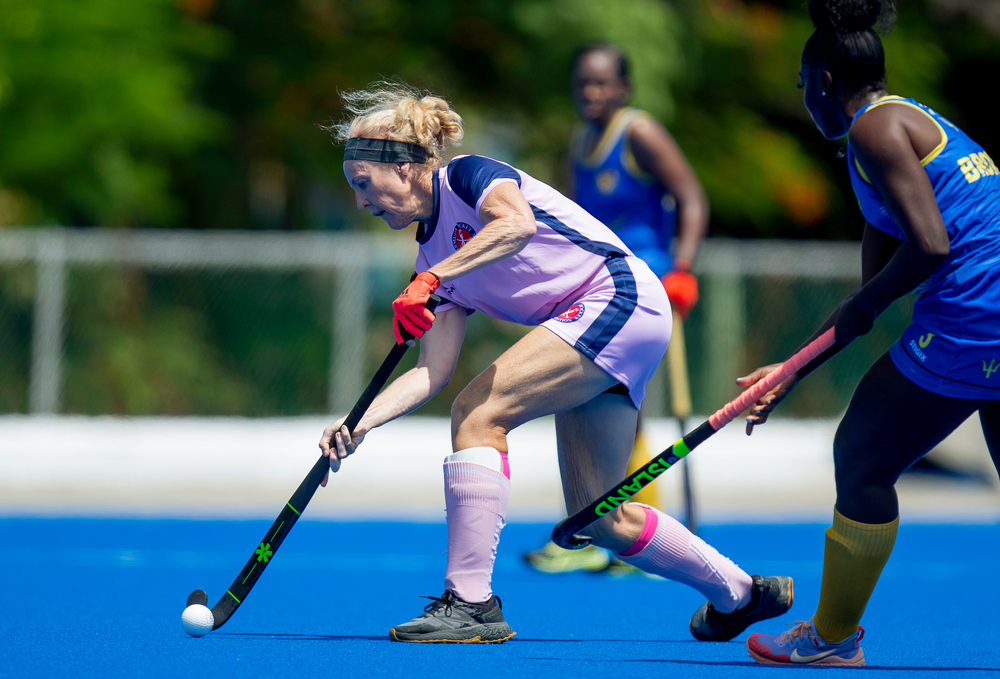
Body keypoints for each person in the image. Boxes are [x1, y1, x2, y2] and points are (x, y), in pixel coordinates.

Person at [319, 82, 792, 644]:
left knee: (477, 414)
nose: (361, 201)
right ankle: (741, 594)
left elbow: (515, 225)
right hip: (593, 326)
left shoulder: (468, 177)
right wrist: (359, 421)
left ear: (404, 168)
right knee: (603, 518)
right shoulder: (431, 260)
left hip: (618, 299)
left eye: (362, 182)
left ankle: (470, 604)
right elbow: (431, 372)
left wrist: (434, 279)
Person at [742, 0, 1000, 667]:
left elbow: (931, 246)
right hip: (986, 313)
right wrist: (790, 370)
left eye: (804, 84)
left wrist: (865, 304)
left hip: (977, 318)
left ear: (825, 81)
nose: (805, 99)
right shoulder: (907, 124)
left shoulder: (873, 132)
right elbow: (864, 301)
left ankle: (832, 638)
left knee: (862, 457)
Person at [525, 43, 710, 576]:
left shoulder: (640, 133)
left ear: (623, 88)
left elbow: (692, 198)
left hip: (647, 285)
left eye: (601, 82)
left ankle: (628, 532)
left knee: (617, 401)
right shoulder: (580, 141)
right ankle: (602, 528)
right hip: (598, 284)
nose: (590, 92)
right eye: (582, 82)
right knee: (590, 399)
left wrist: (684, 266)